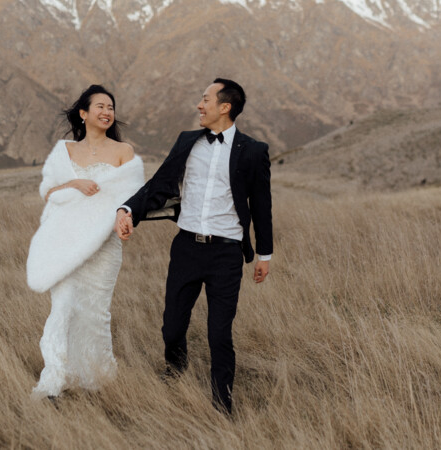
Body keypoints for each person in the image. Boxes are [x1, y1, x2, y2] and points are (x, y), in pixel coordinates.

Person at [115, 78, 273, 415]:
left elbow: (262, 205)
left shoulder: (254, 150)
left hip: (227, 254)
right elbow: (159, 184)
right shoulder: (187, 141)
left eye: (205, 100)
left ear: (225, 107)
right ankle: (176, 368)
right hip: (186, 248)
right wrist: (127, 210)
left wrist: (265, 254)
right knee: (172, 326)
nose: (199, 106)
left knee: (219, 333)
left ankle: (222, 404)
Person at [27, 85, 144, 400]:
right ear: (83, 113)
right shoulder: (64, 150)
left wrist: (126, 220)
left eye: (111, 107)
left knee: (95, 311)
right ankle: (56, 377)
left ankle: (93, 377)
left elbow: (133, 199)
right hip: (66, 243)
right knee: (63, 307)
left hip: (104, 246)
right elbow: (49, 193)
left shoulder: (124, 152)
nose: (107, 112)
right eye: (100, 107)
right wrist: (73, 183)